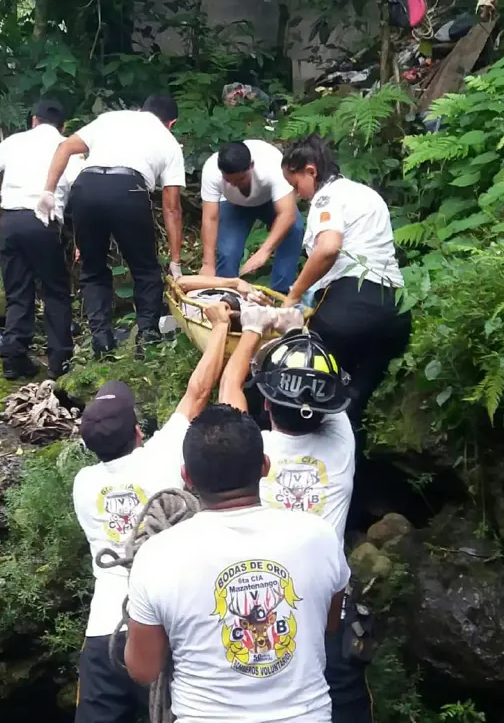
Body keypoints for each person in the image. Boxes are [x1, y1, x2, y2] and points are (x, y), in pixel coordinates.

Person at [123, 401, 351, 723]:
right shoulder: (321, 537)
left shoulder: (156, 556)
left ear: (186, 477)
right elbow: (329, 624)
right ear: (265, 466)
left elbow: (144, 670)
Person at [72, 304, 234, 723]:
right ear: (138, 431)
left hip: (102, 632)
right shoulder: (161, 460)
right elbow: (198, 392)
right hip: (157, 628)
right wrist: (220, 327)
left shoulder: (84, 485)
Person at [219, 307, 373, 722]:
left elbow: (230, 386)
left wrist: (251, 327)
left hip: (268, 617)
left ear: (266, 406)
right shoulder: (341, 447)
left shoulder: (249, 451)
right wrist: (297, 329)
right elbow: (325, 392)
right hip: (330, 617)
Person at [280, 135, 411, 454]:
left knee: (301, 388)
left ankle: (299, 467)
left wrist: (293, 296)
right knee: (350, 408)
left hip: (352, 309)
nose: (297, 195)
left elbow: (328, 249)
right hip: (395, 313)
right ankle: (354, 478)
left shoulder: (327, 198)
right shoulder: (365, 194)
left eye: (295, 185)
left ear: (310, 171)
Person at [41, 95, 185, 359]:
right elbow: (172, 207)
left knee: (92, 268)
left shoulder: (110, 119)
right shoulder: (170, 142)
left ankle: (101, 341)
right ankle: (147, 337)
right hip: (128, 190)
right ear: (171, 123)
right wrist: (175, 260)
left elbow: (64, 149)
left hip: (86, 186)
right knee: (145, 268)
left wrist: (48, 192)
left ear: (141, 109)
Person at [0, 98, 75, 381]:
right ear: (63, 125)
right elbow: (79, 187)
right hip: (43, 222)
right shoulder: (68, 147)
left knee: (18, 291)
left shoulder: (14, 142)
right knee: (55, 291)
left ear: (34, 120)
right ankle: (59, 363)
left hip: (12, 221)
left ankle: (14, 359)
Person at [199, 140, 304, 294]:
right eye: (229, 181)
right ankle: (225, 296)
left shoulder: (272, 165)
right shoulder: (211, 171)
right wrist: (208, 263)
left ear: (251, 166)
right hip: (232, 204)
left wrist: (264, 251)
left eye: (240, 179)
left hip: (270, 200)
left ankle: (280, 294)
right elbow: (210, 218)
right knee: (228, 251)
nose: (234, 184)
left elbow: (287, 214)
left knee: (294, 229)